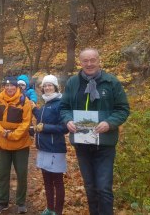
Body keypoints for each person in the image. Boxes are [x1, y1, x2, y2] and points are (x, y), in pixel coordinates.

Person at [60, 48, 130, 215]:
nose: (89, 64)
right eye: (85, 60)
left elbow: (123, 109)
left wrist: (109, 123)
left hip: (105, 144)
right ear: (80, 62)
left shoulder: (111, 82)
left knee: (104, 188)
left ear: (99, 60)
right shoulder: (72, 83)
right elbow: (64, 107)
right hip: (82, 144)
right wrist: (68, 120)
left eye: (93, 60)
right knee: (90, 187)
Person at [0, 76, 33, 215]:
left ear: (17, 87)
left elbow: (26, 122)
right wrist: (2, 132)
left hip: (21, 144)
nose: (9, 88)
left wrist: (12, 135)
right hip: (3, 144)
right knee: (2, 173)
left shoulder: (24, 101)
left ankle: (21, 203)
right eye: (7, 86)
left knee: (21, 174)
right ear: (4, 87)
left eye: (12, 86)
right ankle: (2, 202)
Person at [32, 75, 68, 215]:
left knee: (57, 182)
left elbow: (64, 128)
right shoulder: (46, 103)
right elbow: (42, 118)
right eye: (45, 86)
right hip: (43, 148)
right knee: (47, 181)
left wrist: (45, 127)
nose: (47, 88)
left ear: (55, 87)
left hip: (55, 149)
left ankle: (58, 212)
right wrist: (34, 109)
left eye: (50, 85)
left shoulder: (60, 103)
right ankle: (50, 209)